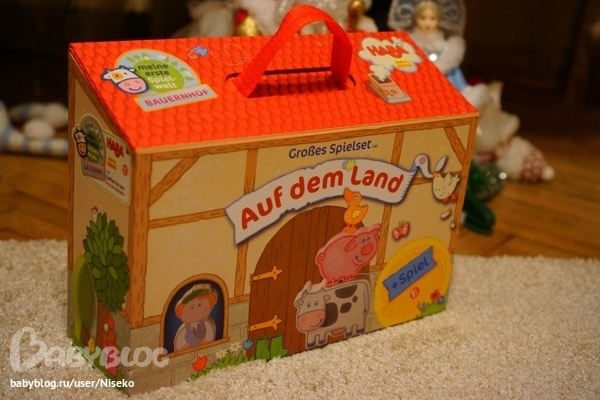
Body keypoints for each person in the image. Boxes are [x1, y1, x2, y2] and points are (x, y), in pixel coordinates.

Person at [407, 1, 467, 90]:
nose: (427, 23)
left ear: (439, 20)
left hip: (442, 79)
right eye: (423, 18)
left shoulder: (446, 45)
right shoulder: (409, 42)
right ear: (416, 19)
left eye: (433, 18)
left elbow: (449, 63)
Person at [173, 284, 218, 351]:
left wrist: (202, 340)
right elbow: (178, 350)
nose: (196, 311)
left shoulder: (207, 324)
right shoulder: (183, 330)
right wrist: (189, 343)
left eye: (199, 305)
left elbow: (210, 342)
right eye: (192, 307)